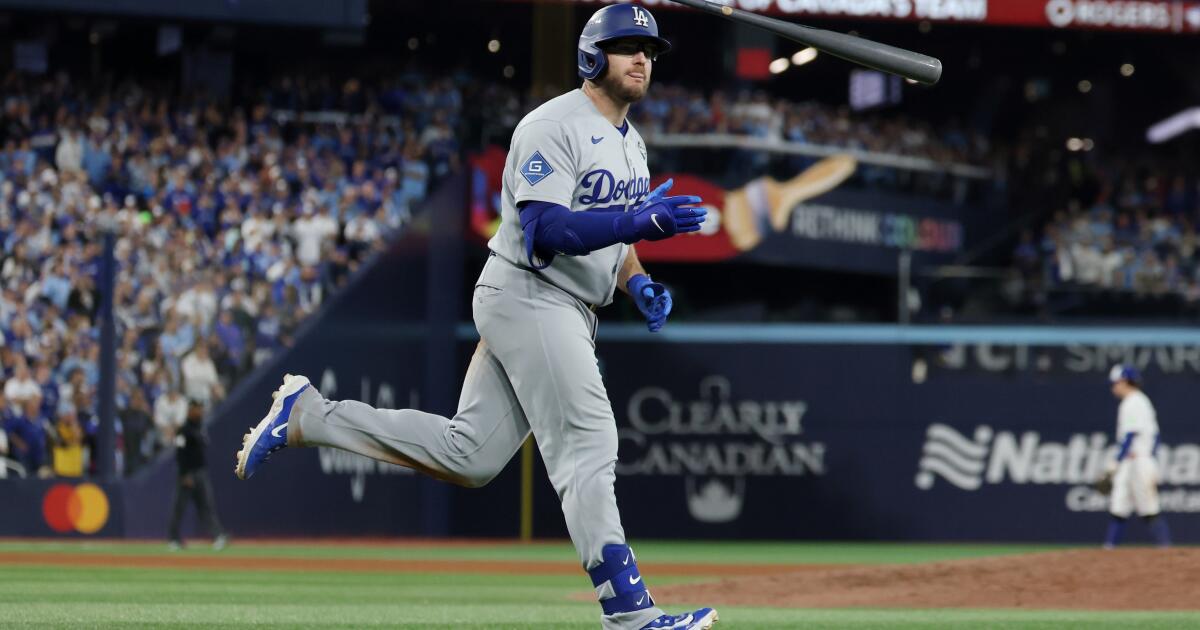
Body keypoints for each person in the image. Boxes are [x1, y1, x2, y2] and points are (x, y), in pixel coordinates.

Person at [235, 5, 715, 630]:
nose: (642, 58)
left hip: (566, 305)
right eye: (627, 46)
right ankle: (629, 612)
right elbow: (546, 230)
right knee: (589, 440)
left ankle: (308, 415)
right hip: (530, 292)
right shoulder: (552, 125)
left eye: (648, 49)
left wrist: (639, 281)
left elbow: (617, 242)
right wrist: (637, 220)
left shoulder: (634, 144)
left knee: (470, 456)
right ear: (592, 56)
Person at [1102, 364, 1171, 549]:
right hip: (1133, 461)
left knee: (1149, 508)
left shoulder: (1135, 402)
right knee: (1118, 507)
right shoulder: (1136, 402)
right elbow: (1156, 436)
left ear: (1125, 382)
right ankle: (1108, 549)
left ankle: (1166, 550)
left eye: (1115, 383)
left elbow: (1130, 436)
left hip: (1139, 460)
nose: (1113, 387)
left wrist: (1116, 462)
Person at [169, 401, 228, 551]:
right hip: (187, 474)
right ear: (190, 410)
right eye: (197, 409)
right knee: (179, 507)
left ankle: (217, 536)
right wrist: (184, 474)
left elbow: (205, 443)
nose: (200, 412)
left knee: (207, 506)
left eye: (201, 409)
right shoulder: (183, 430)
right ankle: (173, 539)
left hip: (201, 472)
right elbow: (179, 453)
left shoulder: (200, 427)